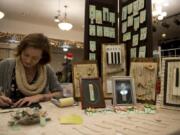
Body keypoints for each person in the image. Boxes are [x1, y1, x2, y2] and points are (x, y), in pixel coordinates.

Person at [0, 33, 63, 108]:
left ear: (42, 57)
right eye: (26, 55)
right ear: (21, 51)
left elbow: (59, 93)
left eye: (35, 58)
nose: (28, 61)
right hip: (9, 116)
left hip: (39, 116)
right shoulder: (6, 65)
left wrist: (40, 97)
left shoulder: (47, 69)